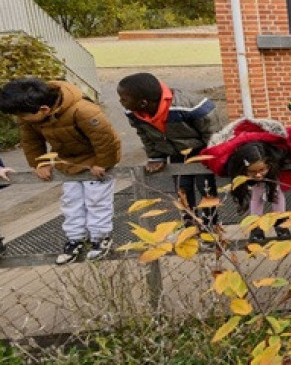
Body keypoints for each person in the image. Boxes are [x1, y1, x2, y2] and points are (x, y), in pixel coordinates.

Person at [0, 78, 121, 263]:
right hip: (68, 162)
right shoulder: (30, 119)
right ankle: (75, 238)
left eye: (22, 116)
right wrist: (40, 163)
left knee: (96, 200)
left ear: (44, 110)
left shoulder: (83, 111)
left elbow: (106, 139)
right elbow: (31, 141)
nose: (21, 120)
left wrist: (103, 163)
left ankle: (100, 237)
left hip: (95, 162)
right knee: (71, 202)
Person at [118, 72, 220, 229]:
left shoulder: (190, 106)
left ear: (143, 103)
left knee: (205, 187)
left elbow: (211, 130)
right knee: (182, 189)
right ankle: (190, 227)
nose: (120, 102)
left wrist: (213, 154)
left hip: (201, 150)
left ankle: (211, 227)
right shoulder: (133, 113)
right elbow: (145, 135)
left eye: (124, 99)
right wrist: (155, 157)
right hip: (174, 151)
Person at [198, 118, 291, 243]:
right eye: (253, 171)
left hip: (270, 167)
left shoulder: (276, 151)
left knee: (276, 192)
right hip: (251, 166)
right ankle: (255, 226)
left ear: (269, 164)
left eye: (261, 170)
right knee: (256, 195)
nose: (258, 175)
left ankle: (280, 222)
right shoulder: (235, 158)